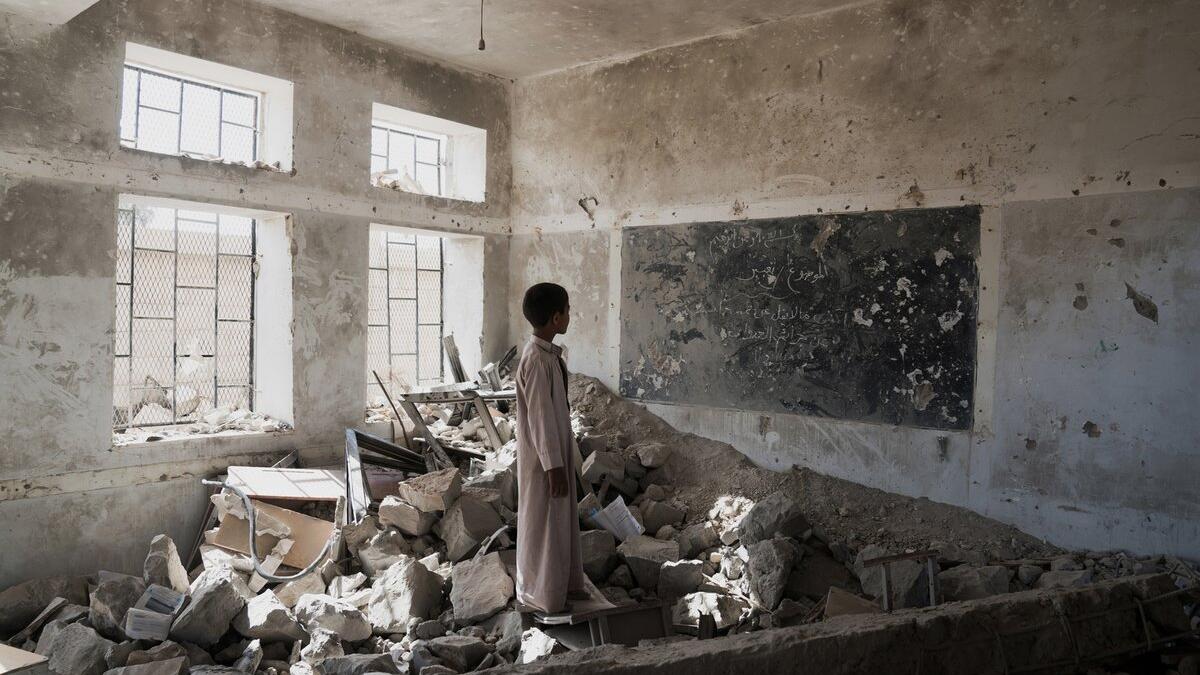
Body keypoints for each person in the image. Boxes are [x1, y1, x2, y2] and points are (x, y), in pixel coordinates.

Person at [514, 282, 587, 613]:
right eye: (568, 310)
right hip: (545, 463)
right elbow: (540, 419)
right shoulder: (537, 361)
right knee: (543, 528)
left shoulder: (548, 355)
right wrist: (553, 466)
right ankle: (541, 594)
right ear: (556, 318)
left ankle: (565, 585)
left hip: (555, 456)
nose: (570, 315)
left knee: (559, 525)